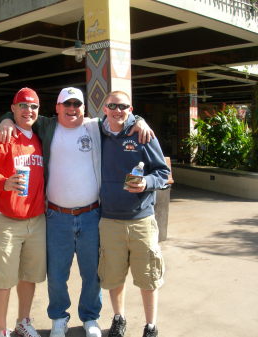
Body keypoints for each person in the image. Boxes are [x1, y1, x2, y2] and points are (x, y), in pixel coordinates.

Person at [0, 87, 155, 337]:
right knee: (57, 273)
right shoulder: (46, 127)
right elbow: (21, 113)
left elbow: (120, 116)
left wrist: (141, 120)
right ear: (57, 108)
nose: (72, 109)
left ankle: (90, 318)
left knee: (92, 272)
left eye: (76, 105)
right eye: (66, 105)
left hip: (91, 215)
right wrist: (5, 118)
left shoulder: (94, 127)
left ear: (84, 108)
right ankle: (59, 317)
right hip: (56, 216)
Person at [0, 88, 46, 337]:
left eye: (33, 106)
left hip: (36, 221)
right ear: (13, 109)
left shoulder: (38, 139)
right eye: (23, 106)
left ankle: (23, 322)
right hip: (5, 222)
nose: (29, 111)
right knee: (2, 280)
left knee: (29, 277)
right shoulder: (0, 136)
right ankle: (0, 330)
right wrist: (2, 182)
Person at [98, 91, 170, 337]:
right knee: (113, 275)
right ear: (104, 108)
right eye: (113, 106)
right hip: (109, 219)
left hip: (141, 220)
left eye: (124, 106)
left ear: (131, 108)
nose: (118, 110)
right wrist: (6, 119)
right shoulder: (97, 133)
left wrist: (146, 183)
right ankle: (119, 318)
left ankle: (151, 326)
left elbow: (162, 173)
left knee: (148, 276)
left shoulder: (142, 134)